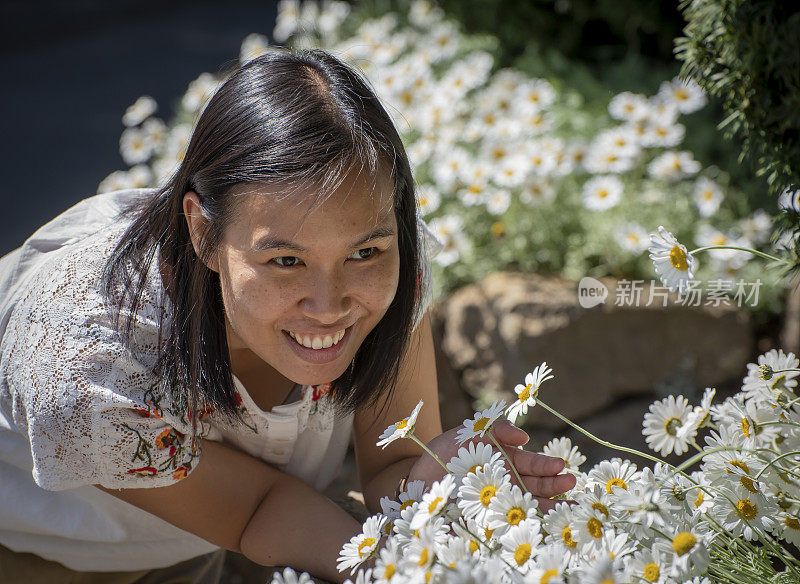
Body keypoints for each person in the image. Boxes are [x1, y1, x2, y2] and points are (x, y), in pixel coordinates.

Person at [0, 49, 575, 583]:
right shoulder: (89, 363)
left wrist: (427, 479)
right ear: (202, 232)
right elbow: (255, 510)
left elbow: (386, 471)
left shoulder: (395, 270)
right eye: (284, 260)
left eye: (363, 252)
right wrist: (400, 573)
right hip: (42, 552)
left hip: (213, 533)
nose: (329, 306)